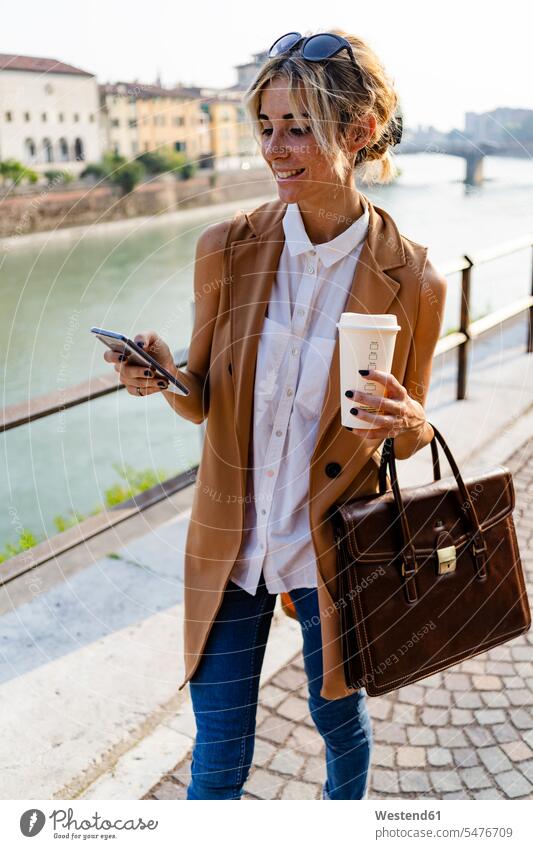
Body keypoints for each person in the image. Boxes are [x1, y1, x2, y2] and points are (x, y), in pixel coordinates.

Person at [104, 29, 447, 800]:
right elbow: (201, 400)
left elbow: (412, 431)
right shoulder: (224, 248)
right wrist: (160, 373)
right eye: (265, 126)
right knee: (218, 755)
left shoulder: (416, 277)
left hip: (333, 550)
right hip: (230, 543)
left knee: (339, 727)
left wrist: (407, 421)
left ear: (358, 132)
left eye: (298, 127)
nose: (275, 148)